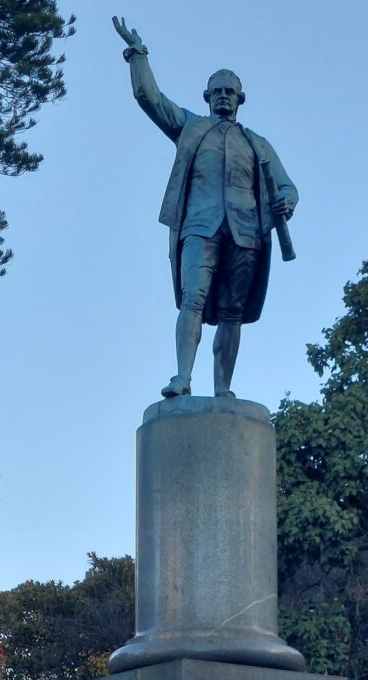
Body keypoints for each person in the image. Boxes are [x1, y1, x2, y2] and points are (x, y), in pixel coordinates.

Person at [113, 16, 298, 399]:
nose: (224, 96)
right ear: (207, 96)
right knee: (192, 299)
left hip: (246, 232)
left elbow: (286, 186)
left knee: (233, 313)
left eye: (230, 91)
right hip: (199, 225)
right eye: (217, 91)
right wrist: (138, 56)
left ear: (240, 98)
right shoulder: (191, 127)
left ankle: (223, 389)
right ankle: (182, 377)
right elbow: (151, 99)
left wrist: (287, 202)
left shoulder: (257, 143)